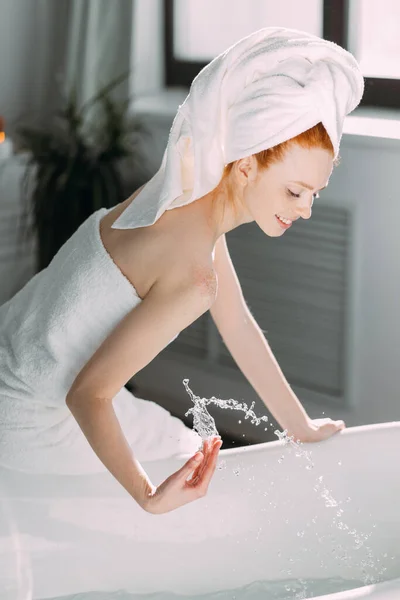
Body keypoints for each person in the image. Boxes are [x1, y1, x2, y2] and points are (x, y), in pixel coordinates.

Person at [0, 27, 364, 515]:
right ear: (247, 167)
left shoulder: (182, 190)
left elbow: (237, 326)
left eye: (314, 194)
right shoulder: (194, 274)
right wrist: (147, 497)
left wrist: (301, 428)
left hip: (14, 355)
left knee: (188, 453)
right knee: (193, 498)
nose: (306, 211)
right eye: (295, 191)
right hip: (27, 415)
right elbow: (88, 395)